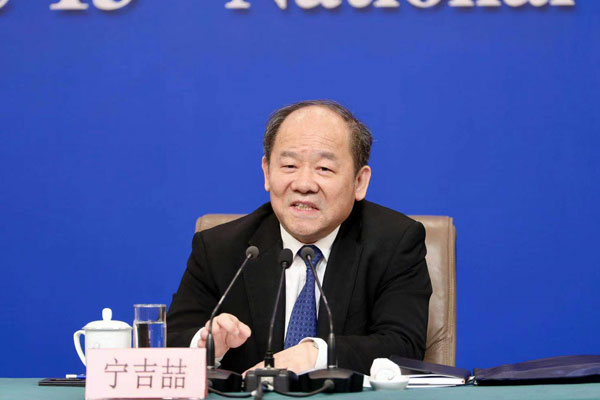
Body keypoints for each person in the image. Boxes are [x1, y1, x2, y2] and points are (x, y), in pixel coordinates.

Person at [167, 100, 432, 375]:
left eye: (324, 169)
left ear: (359, 182)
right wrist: (205, 345)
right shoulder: (219, 248)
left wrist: (314, 355)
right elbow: (172, 342)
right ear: (267, 172)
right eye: (290, 165)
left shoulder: (395, 242)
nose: (304, 185)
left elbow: (403, 347)